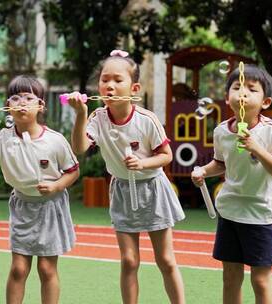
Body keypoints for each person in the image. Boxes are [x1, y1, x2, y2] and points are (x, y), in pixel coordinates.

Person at [67, 50, 186, 304]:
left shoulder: (146, 119)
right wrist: (79, 115)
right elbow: (79, 147)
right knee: (129, 260)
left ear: (134, 88)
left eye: (117, 80)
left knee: (165, 259)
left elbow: (166, 156)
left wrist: (142, 163)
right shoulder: (97, 118)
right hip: (122, 190)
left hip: (153, 188)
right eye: (104, 79)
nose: (109, 85)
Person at [0, 75, 79, 304]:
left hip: (51, 206)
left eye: (28, 97)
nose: (21, 102)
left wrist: (55, 186)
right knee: (19, 269)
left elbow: (73, 171)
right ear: (7, 106)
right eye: (14, 98)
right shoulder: (3, 138)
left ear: (40, 106)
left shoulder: (55, 140)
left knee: (46, 268)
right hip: (22, 206)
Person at [191, 64, 272, 304]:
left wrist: (256, 147)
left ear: (265, 102)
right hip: (230, 210)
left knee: (260, 280)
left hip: (262, 213)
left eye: (251, 89)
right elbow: (221, 163)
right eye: (237, 87)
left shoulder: (271, 129)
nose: (243, 93)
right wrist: (203, 172)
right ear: (228, 98)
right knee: (230, 276)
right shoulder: (221, 132)